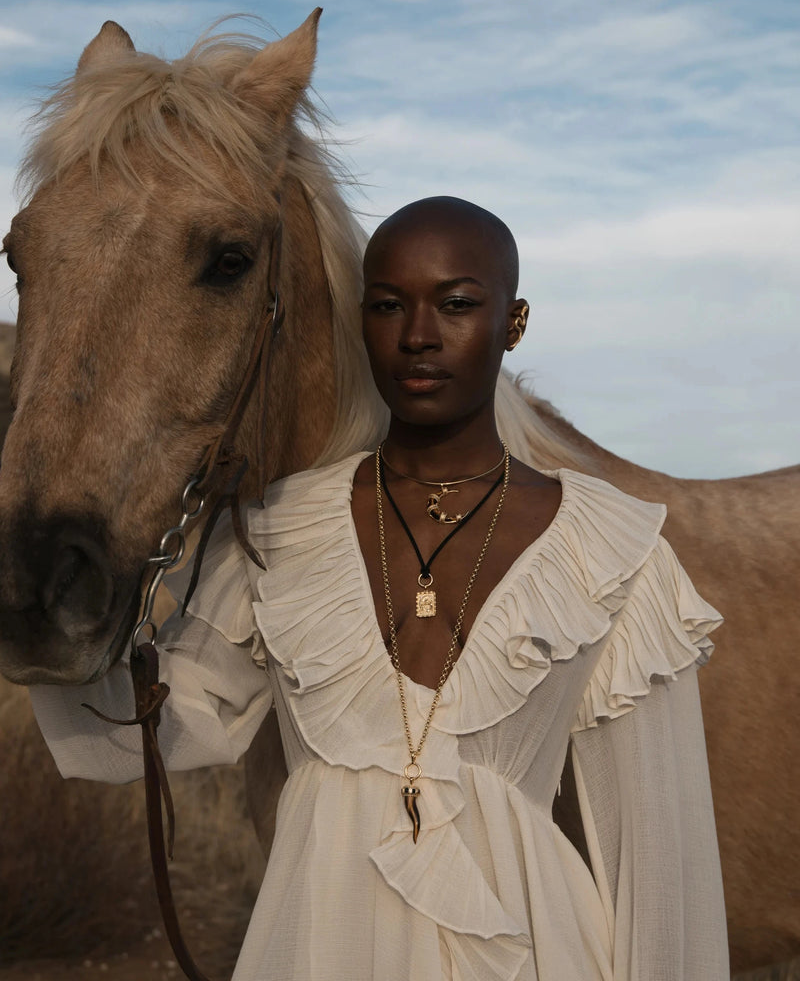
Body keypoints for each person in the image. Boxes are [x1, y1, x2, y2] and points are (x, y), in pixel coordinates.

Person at [29, 197, 729, 980]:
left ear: (515, 321)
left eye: (457, 304)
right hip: (318, 946)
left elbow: (658, 860)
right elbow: (165, 727)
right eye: (389, 306)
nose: (419, 336)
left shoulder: (609, 550)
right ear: (361, 322)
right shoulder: (279, 534)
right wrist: (42, 602)